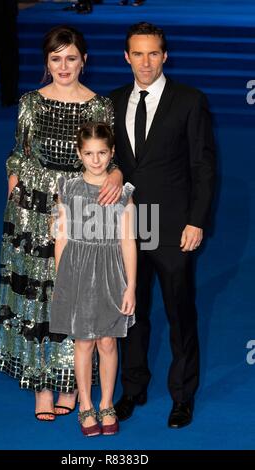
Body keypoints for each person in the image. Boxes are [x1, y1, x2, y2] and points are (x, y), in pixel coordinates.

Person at [0, 25, 123, 421]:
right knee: (38, 297)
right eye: (55, 58)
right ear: (47, 63)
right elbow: (19, 153)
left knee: (76, 296)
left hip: (82, 210)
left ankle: (68, 380)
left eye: (71, 58)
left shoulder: (99, 105)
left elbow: (106, 158)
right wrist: (17, 189)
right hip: (34, 211)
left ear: (84, 60)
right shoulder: (31, 101)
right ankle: (41, 386)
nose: (63, 66)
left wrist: (114, 175)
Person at [110, 22, 216, 428]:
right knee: (131, 313)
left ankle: (183, 396)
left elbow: (203, 167)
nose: (145, 62)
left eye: (153, 53)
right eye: (138, 53)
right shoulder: (114, 100)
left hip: (172, 226)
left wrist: (196, 221)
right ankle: (132, 389)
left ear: (165, 56)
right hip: (127, 225)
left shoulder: (189, 100)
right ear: (126, 57)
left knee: (179, 313)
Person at [50, 122, 136, 436]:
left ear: (112, 153)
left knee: (108, 341)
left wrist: (132, 285)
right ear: (79, 153)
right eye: (89, 153)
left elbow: (128, 242)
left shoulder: (123, 193)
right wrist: (62, 281)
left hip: (112, 273)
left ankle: (107, 403)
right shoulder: (68, 188)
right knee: (83, 341)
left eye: (102, 153)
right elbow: (61, 237)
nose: (96, 160)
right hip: (77, 271)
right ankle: (85, 404)